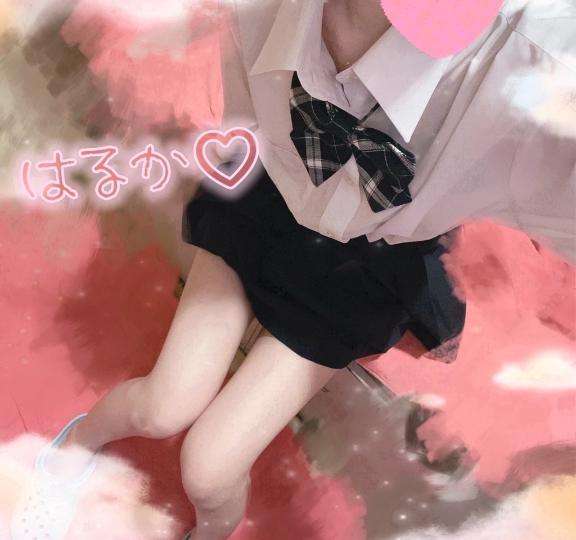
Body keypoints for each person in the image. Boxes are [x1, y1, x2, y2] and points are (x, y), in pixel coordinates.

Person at [12, 1, 575, 539]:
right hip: (262, 204)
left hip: (361, 269)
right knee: (163, 406)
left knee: (210, 467)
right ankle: (70, 451)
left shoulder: (535, 65)